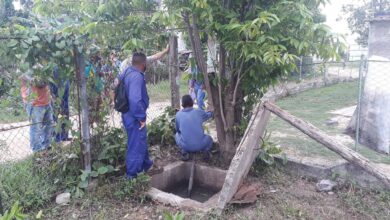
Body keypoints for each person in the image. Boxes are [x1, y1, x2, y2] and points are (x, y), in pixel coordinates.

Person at [120, 52, 153, 179]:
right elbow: (134, 99)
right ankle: (131, 176)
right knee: (135, 144)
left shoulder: (127, 72)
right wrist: (141, 117)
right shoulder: (136, 76)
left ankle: (146, 165)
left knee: (140, 140)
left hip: (127, 114)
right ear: (143, 64)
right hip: (134, 116)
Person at [20, 73, 54, 152]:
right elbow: (39, 82)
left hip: (46, 101)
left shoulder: (44, 63)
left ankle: (46, 146)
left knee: (49, 126)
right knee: (36, 128)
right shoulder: (29, 65)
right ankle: (37, 151)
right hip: (34, 104)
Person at [175, 95, 213, 161]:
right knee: (209, 138)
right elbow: (209, 115)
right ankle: (206, 151)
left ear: (182, 104)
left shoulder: (178, 114)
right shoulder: (199, 112)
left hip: (186, 146)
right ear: (192, 102)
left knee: (176, 135)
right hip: (201, 145)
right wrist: (211, 111)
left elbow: (178, 130)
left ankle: (184, 152)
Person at [50, 67, 71, 142]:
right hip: (57, 98)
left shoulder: (63, 67)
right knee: (58, 116)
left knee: (64, 115)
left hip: (64, 97)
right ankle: (57, 138)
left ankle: (64, 136)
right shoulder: (54, 68)